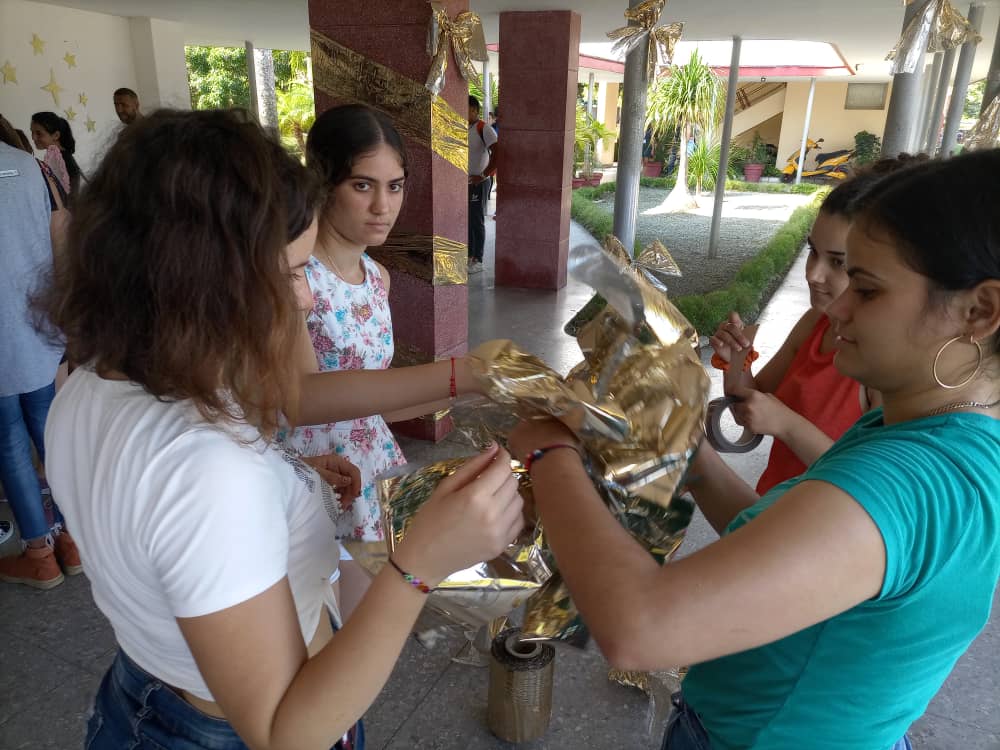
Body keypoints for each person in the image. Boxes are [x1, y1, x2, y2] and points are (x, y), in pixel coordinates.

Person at [41, 109, 523, 750]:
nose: (304, 300)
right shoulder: (208, 472)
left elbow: (171, 530)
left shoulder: (90, 386)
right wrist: (421, 561)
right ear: (210, 283)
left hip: (146, 689)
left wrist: (286, 477)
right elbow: (282, 733)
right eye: (291, 275)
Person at [510, 151, 999, 750]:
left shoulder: (911, 480)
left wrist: (548, 454)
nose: (837, 304)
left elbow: (640, 627)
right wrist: (697, 463)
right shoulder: (938, 431)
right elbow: (787, 541)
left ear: (979, 311)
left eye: (866, 289)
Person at [708, 166, 907, 494]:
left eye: (838, 263)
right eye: (812, 251)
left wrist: (786, 424)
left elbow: (869, 486)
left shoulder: (885, 365)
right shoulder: (816, 324)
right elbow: (754, 401)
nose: (813, 274)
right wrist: (736, 361)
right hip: (772, 506)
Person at [290, 105, 425, 542]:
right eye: (362, 185)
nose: (382, 206)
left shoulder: (376, 277)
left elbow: (376, 394)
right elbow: (301, 399)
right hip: (315, 473)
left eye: (395, 186)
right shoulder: (295, 279)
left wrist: (483, 390)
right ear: (324, 184)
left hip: (372, 461)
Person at [0, 139, 80, 590]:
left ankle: (39, 555)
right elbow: (60, 242)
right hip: (37, 325)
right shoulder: (31, 167)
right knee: (51, 434)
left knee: (9, 444)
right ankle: (73, 540)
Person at [467, 95, 496, 275]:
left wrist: (484, 175)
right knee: (468, 220)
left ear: (474, 110)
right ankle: (470, 255)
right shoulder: (464, 128)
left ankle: (478, 259)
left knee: (476, 220)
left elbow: (498, 153)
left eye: (466, 109)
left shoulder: (483, 129)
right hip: (466, 182)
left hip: (480, 182)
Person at [30, 111, 82, 197]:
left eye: (39, 133)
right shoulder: (58, 156)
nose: (33, 137)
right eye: (32, 132)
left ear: (56, 135)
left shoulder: (61, 160)